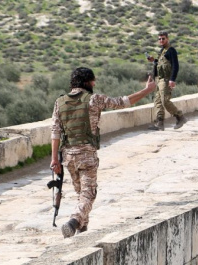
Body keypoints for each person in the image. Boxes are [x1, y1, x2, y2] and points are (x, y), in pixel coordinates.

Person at [49, 67, 156, 238]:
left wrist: (54, 159)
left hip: (68, 157)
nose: (94, 83)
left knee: (81, 193)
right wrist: (147, 90)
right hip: (87, 156)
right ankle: (74, 221)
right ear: (87, 82)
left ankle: (82, 228)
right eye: (93, 80)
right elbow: (124, 102)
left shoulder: (59, 102)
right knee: (88, 193)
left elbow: (55, 131)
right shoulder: (94, 100)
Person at [147, 31, 187, 131]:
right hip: (158, 80)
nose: (161, 40)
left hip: (165, 80)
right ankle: (159, 123)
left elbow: (175, 66)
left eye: (163, 38)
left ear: (167, 39)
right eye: (159, 39)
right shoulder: (162, 51)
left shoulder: (171, 50)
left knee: (165, 101)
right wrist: (154, 61)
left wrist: (172, 79)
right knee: (158, 102)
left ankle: (180, 117)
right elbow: (161, 64)